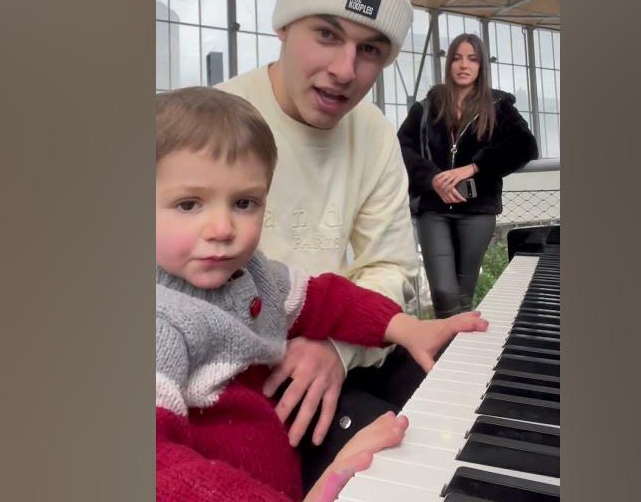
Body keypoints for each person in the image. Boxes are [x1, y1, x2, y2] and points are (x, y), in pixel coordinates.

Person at [154, 87, 488, 502]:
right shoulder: (160, 322)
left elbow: (325, 299)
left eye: (244, 202)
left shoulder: (253, 274)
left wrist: (405, 328)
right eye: (189, 205)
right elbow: (159, 467)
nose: (223, 228)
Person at [216, 0, 426, 483]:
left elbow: (392, 268)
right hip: (253, 382)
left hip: (351, 344)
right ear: (284, 26)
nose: (344, 69)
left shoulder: (375, 136)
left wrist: (334, 348)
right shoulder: (216, 125)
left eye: (370, 50)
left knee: (458, 409)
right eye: (327, 35)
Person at [397, 32, 539, 318]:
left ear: (481, 66)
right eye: (458, 58)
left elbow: (526, 145)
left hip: (477, 211)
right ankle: (449, 351)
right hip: (433, 210)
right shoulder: (426, 108)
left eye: (472, 59)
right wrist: (432, 177)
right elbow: (400, 148)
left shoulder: (498, 107)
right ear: (449, 64)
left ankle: (453, 355)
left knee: (463, 293)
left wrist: (476, 165)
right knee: (443, 293)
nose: (464, 65)